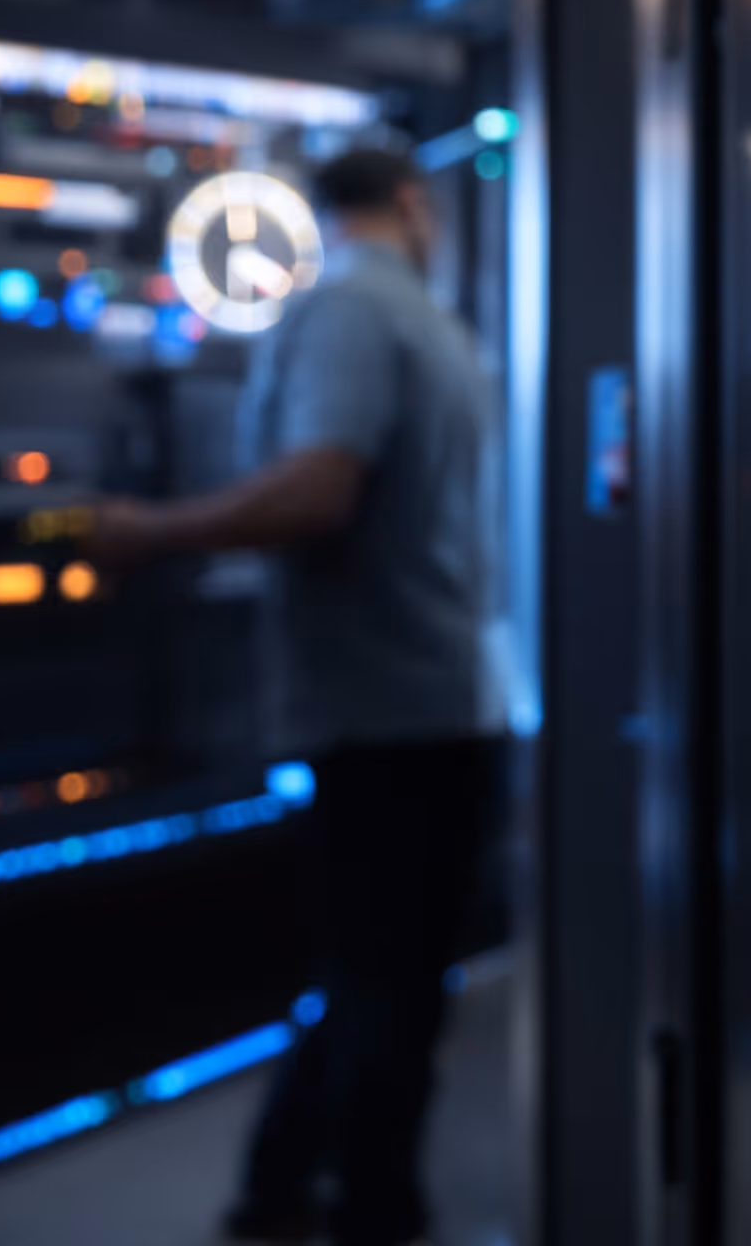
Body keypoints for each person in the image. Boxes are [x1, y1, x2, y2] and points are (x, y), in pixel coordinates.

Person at [87, 146, 502, 1246]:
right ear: (414, 204)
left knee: (379, 979)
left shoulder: (349, 315)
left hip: (382, 709)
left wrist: (149, 531)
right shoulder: (431, 322)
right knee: (389, 975)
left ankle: (359, 1209)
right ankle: (290, 1193)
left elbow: (319, 486)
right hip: (436, 700)